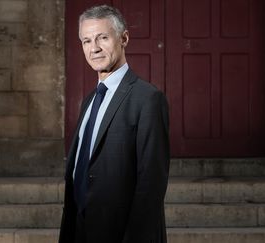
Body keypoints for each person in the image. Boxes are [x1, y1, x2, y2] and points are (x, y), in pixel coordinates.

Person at [59, 5, 170, 243]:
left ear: (124, 38)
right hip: (80, 230)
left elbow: (151, 185)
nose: (94, 48)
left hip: (121, 235)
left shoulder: (147, 98)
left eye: (102, 38)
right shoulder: (89, 101)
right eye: (86, 41)